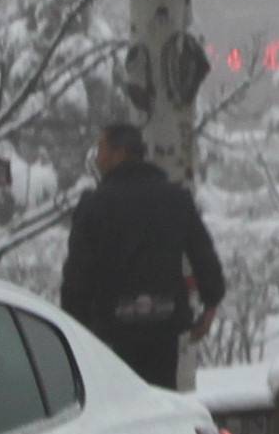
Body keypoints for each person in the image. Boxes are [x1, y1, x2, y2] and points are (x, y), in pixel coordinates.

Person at [59, 118, 229, 388]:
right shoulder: (175, 199)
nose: (98, 156)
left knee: (116, 404)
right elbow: (204, 257)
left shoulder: (94, 206)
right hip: (164, 326)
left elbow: (77, 276)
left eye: (101, 148)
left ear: (119, 153)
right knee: (160, 404)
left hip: (110, 330)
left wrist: (72, 327)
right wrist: (209, 306)